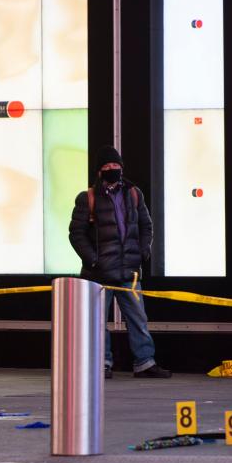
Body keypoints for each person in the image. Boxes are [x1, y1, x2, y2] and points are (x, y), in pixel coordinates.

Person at [68, 146, 171, 379]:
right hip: (98, 274)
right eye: (107, 167)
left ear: (122, 168)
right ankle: (101, 363)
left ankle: (145, 362)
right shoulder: (88, 198)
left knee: (138, 318)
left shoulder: (134, 194)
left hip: (129, 272)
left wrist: (143, 252)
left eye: (115, 166)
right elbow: (76, 234)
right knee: (96, 323)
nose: (112, 169)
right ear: (99, 171)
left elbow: (146, 226)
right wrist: (93, 261)